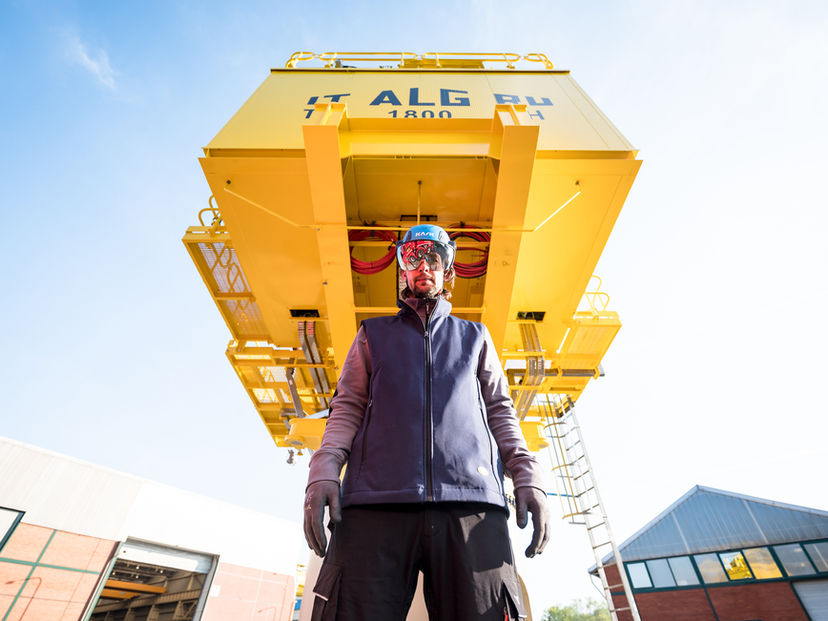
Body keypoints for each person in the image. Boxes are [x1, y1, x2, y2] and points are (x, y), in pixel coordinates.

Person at [303, 224, 550, 620]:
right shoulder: (372, 335)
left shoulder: (476, 337)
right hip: (375, 503)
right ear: (402, 269)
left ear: (447, 270)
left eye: (433, 258)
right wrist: (323, 472)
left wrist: (527, 476)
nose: (423, 266)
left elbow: (500, 410)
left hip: (471, 504)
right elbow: (346, 407)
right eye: (413, 257)